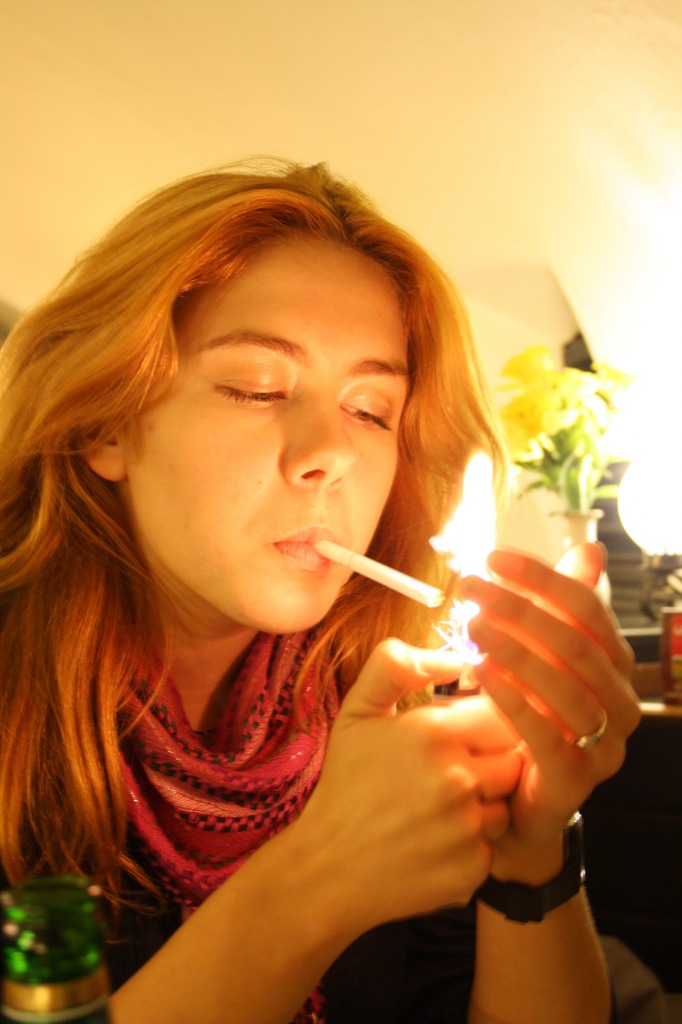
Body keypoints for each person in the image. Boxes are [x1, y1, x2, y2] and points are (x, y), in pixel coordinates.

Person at [0, 159, 639, 1024]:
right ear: (105, 424)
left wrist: (531, 848)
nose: (331, 453)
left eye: (371, 410)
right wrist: (322, 877)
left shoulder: (384, 706)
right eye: (257, 388)